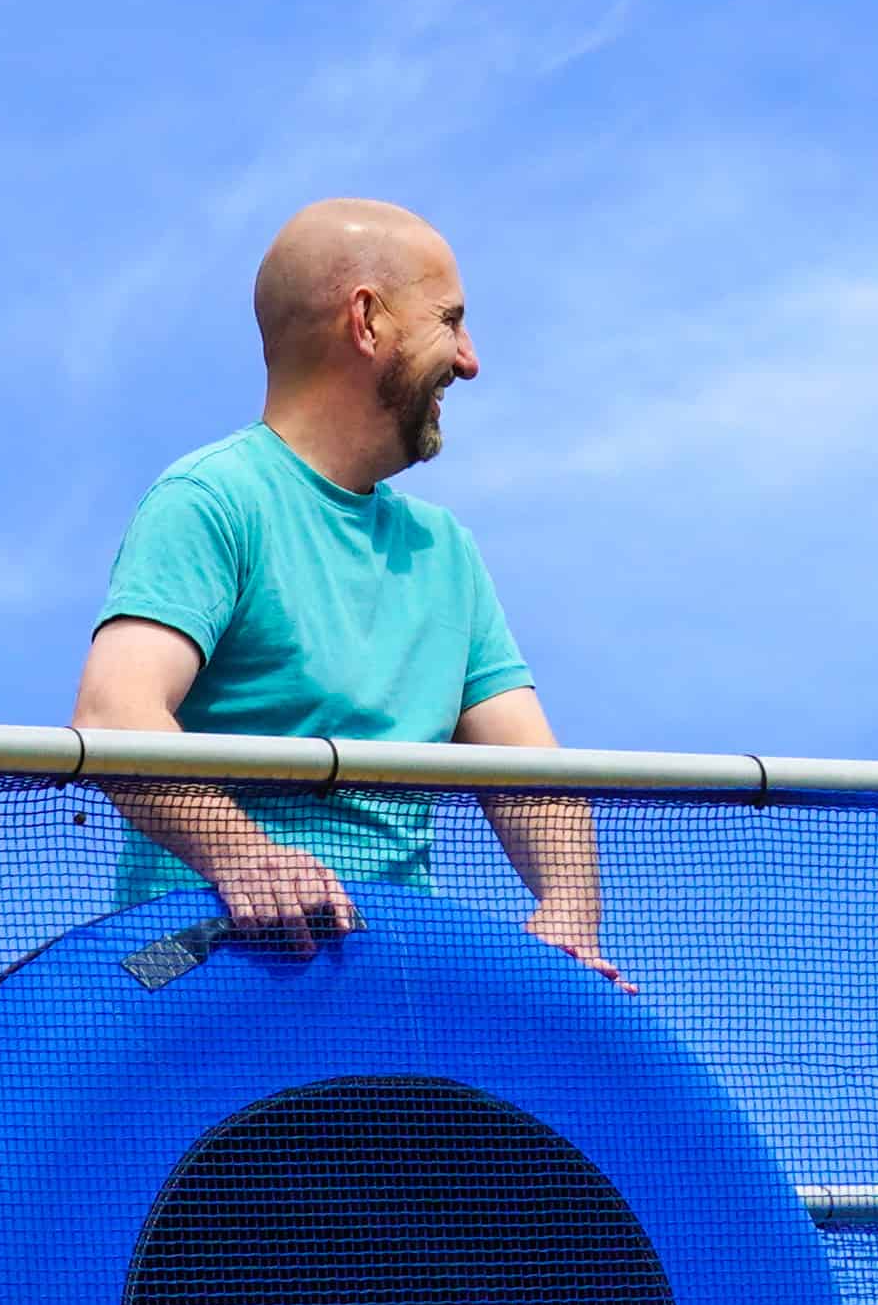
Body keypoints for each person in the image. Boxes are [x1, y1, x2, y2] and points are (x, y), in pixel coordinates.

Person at [71, 195, 624, 983]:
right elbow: (112, 713)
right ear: (366, 321)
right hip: (223, 976)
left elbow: (534, 776)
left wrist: (568, 909)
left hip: (385, 992)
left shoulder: (445, 553)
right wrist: (250, 860)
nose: (469, 360)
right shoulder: (212, 499)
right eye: (449, 320)